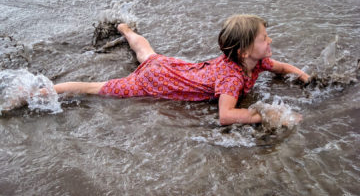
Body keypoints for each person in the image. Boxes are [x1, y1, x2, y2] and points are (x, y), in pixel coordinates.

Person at [53, 15, 310, 125]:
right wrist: (268, 115)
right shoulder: (231, 78)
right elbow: (226, 116)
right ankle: (42, 91)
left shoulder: (256, 61)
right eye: (265, 38)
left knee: (147, 55)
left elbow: (280, 67)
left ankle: (125, 29)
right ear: (243, 52)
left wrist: (301, 74)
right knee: (97, 88)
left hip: (170, 68)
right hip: (158, 83)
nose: (270, 41)